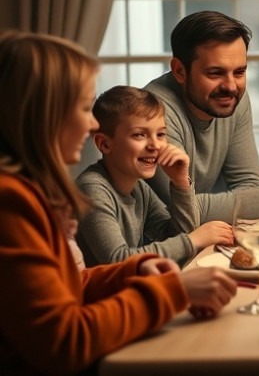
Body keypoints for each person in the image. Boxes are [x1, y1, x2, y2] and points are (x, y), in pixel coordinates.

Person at [0, 31, 236, 375]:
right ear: (42, 115)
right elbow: (63, 343)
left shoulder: (30, 191)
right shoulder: (11, 202)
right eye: (84, 108)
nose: (92, 123)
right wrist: (171, 292)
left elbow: (69, 284)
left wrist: (135, 270)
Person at [76, 86, 234, 267]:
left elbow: (177, 238)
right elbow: (118, 260)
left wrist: (181, 183)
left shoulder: (139, 187)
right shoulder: (91, 189)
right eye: (139, 135)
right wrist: (193, 240)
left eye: (160, 134)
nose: (155, 145)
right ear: (104, 144)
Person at [144, 11, 259, 223]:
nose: (231, 86)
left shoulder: (233, 100)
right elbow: (180, 210)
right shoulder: (152, 111)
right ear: (179, 71)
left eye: (239, 72)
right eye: (215, 73)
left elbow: (251, 186)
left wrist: (258, 199)